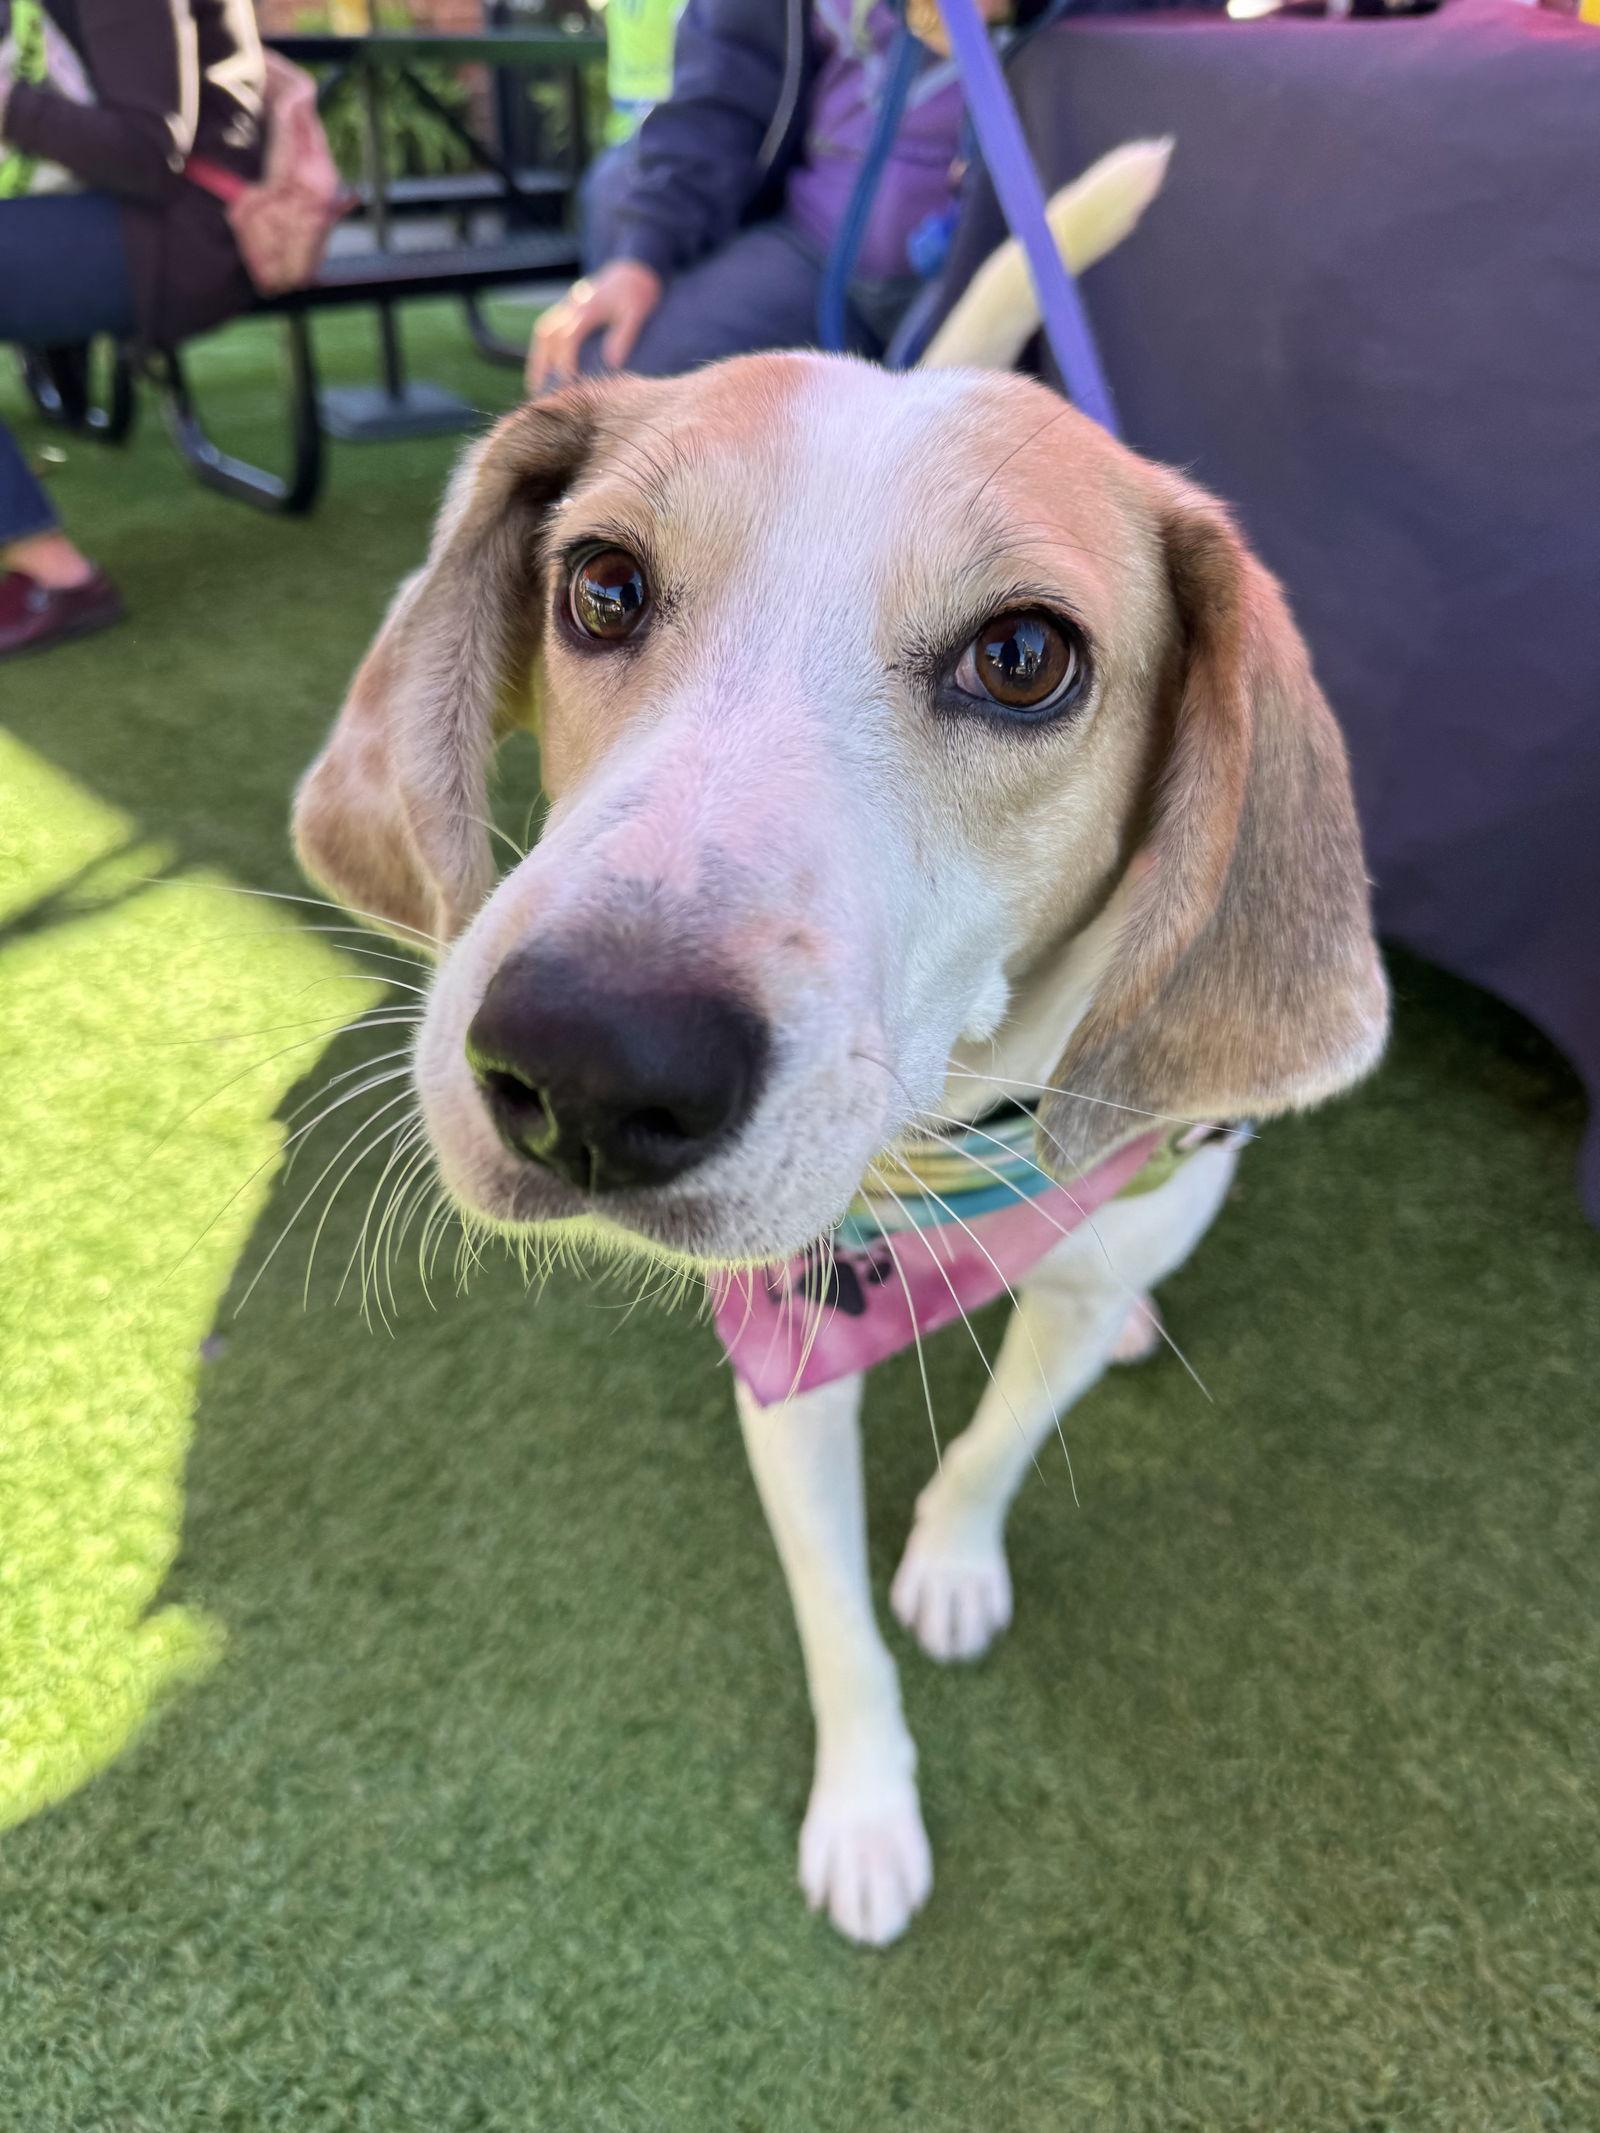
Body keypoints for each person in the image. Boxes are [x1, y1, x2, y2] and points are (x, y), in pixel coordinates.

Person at [528, 0, 1022, 392]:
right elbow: (718, 85)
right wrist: (640, 257)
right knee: (594, 387)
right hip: (814, 249)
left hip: (1001, 261)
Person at [0, 0, 264, 662]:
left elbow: (148, 153)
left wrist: (8, 103)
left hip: (184, 233)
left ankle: (55, 575)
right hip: (105, 212)